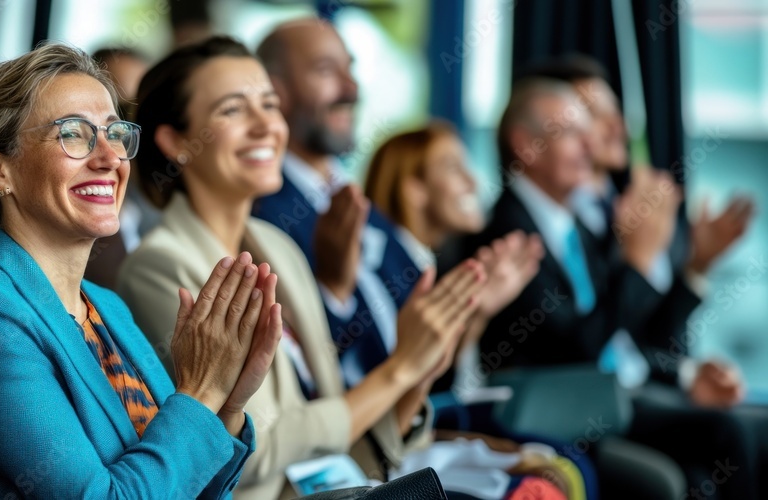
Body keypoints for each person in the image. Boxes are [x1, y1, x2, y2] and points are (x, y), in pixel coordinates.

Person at [118, 36, 573, 500]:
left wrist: (422, 364)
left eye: (270, 105)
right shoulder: (159, 266)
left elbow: (342, 423)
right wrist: (399, 369)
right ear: (176, 142)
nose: (265, 125)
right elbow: (252, 453)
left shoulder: (277, 245)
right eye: (233, 110)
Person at [0, 42, 278, 498]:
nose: (110, 159)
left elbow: (190, 489)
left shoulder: (108, 307)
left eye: (115, 133)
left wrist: (227, 403)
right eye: (73, 133)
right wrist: (201, 392)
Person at [467, 77, 759, 499]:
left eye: (589, 132)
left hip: (617, 397)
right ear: (526, 146)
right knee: (730, 434)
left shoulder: (573, 226)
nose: (590, 146)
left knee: (745, 431)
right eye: (571, 133)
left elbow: (631, 335)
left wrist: (686, 367)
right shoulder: (506, 233)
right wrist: (637, 263)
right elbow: (579, 350)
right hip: (564, 413)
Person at [251, 20, 424, 386]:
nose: (351, 88)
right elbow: (305, 377)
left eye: (351, 69)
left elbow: (418, 312)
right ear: (274, 89)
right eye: (326, 70)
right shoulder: (258, 209)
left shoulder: (347, 193)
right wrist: (333, 290)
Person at [363, 121, 544, 394]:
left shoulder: (427, 262)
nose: (472, 182)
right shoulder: (385, 272)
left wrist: (477, 313)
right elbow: (413, 392)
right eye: (452, 168)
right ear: (414, 189)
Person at [83, 46, 162, 288]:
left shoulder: (156, 213)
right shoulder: (73, 222)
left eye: (148, 109)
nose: (134, 124)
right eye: (121, 109)